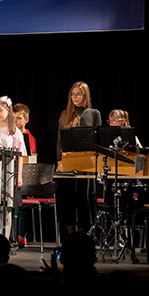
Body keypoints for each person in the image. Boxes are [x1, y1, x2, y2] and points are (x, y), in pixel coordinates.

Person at [56, 81, 102, 235]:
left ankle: (83, 234)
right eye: (73, 94)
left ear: (85, 96)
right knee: (68, 197)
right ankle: (69, 234)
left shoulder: (94, 113)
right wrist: (60, 160)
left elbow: (98, 138)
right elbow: (60, 141)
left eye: (78, 94)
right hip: (69, 160)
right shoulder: (65, 114)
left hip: (87, 161)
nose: (75, 97)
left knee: (84, 197)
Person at [0, 96, 27, 242]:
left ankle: (4, 239)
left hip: (9, 172)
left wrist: (19, 176)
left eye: (1, 110)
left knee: (7, 207)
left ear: (8, 111)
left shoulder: (15, 132)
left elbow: (21, 156)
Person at [13, 103, 37, 246]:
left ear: (26, 120)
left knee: (21, 204)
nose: (15, 121)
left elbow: (31, 160)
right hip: (11, 175)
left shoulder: (29, 138)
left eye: (19, 118)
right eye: (13, 118)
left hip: (25, 178)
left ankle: (21, 234)